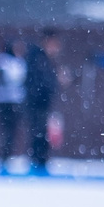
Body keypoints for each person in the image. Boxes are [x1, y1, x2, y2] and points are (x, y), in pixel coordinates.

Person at [24, 33, 60, 175]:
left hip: (42, 102)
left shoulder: (44, 58)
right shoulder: (38, 57)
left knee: (41, 133)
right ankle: (38, 163)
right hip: (37, 102)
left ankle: (40, 162)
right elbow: (39, 82)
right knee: (38, 133)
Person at [0, 42, 27, 169]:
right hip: (6, 102)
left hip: (11, 102)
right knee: (6, 131)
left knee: (10, 131)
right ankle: (4, 156)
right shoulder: (4, 62)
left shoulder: (9, 62)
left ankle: (6, 155)